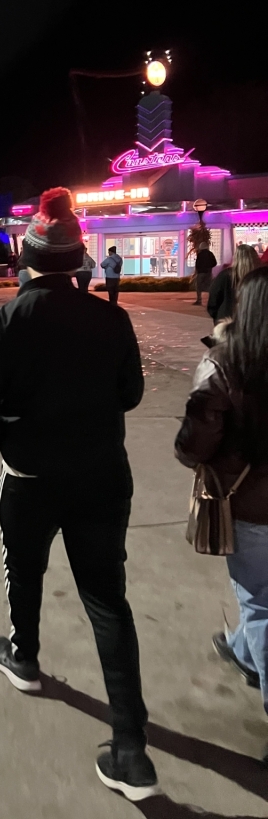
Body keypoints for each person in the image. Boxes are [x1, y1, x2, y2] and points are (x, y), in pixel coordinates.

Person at [0, 187, 157, 801]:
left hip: (31, 478)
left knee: (24, 568)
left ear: (28, 257)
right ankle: (131, 750)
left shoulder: (5, 321)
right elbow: (130, 395)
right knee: (108, 602)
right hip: (102, 475)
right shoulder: (112, 318)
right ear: (79, 262)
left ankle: (25, 658)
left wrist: (12, 433)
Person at [175, 267, 268, 740]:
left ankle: (252, 655)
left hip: (252, 508)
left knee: (260, 603)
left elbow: (195, 441)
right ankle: (244, 652)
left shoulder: (227, 365)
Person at [206, 244, 260, 323]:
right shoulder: (259, 277)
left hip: (226, 321)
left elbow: (213, 300)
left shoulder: (225, 275)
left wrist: (218, 316)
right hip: (252, 323)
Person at [194, 241, 218, 305]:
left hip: (201, 272)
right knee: (209, 286)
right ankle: (212, 300)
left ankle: (199, 300)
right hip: (208, 272)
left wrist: (197, 271)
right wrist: (209, 267)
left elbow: (197, 264)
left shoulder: (200, 254)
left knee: (199, 286)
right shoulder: (210, 254)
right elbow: (215, 263)